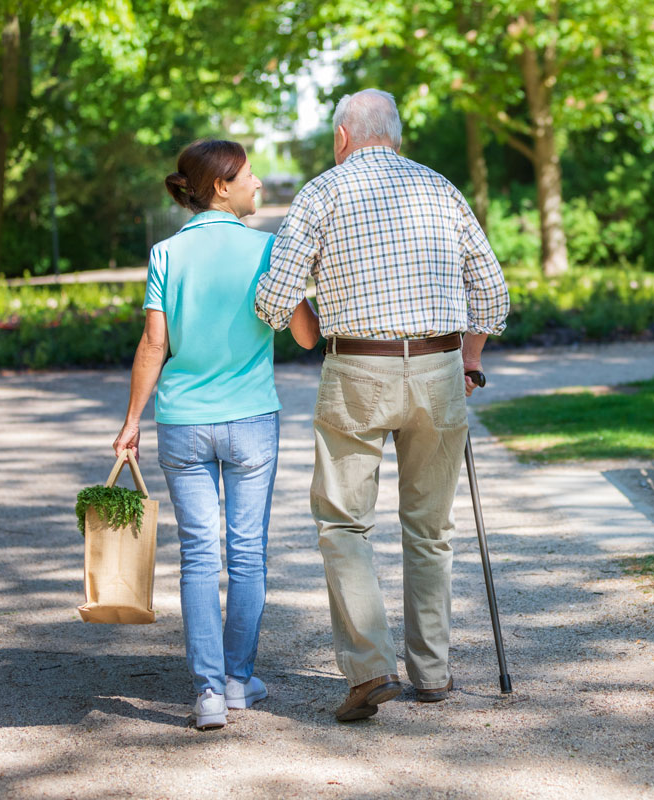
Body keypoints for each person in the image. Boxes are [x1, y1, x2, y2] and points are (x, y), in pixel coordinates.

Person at [254, 89, 509, 721]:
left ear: (342, 136)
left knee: (344, 523)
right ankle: (433, 672)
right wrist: (470, 355)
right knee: (430, 528)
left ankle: (370, 670)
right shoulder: (440, 188)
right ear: (394, 135)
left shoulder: (321, 192)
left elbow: (272, 300)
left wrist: (307, 311)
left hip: (358, 367)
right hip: (440, 367)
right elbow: (495, 295)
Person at [113, 138, 320, 730]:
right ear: (221, 186)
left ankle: (206, 693)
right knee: (247, 553)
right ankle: (236, 681)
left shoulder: (166, 253)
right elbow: (305, 336)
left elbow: (155, 344)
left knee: (200, 556)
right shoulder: (270, 249)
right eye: (250, 174)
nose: (259, 183)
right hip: (252, 420)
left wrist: (131, 421)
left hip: (182, 422)